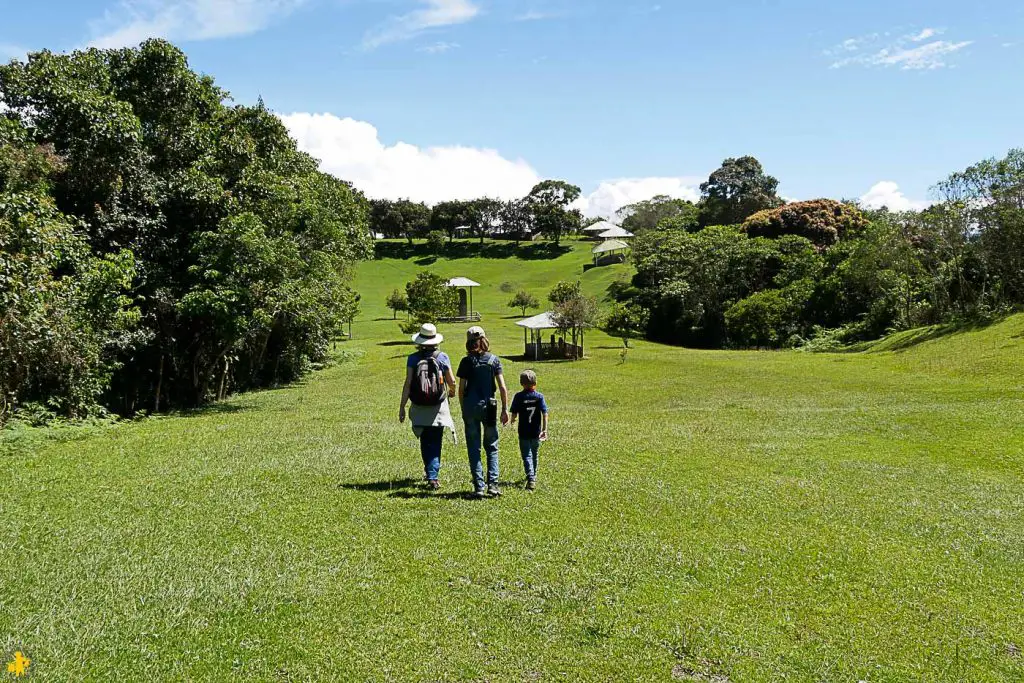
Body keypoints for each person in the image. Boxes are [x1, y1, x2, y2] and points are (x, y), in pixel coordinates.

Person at [399, 323, 457, 490]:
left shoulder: (413, 358)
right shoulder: (442, 357)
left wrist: (402, 406)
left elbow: (408, 383)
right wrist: (452, 391)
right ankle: (433, 476)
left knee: (425, 441)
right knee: (436, 441)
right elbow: (451, 380)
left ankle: (430, 473)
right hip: (438, 406)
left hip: (419, 405)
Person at [457, 326, 509, 498]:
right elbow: (502, 387)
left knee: (474, 448)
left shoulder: (466, 362)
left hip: (471, 407)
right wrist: (504, 409)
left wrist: (463, 408)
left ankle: (479, 487)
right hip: (490, 407)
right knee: (492, 447)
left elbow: (461, 389)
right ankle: (493, 485)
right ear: (484, 339)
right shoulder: (494, 360)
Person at [510, 369, 549, 491]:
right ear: (535, 383)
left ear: (521, 383)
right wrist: (544, 429)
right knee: (534, 454)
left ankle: (531, 477)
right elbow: (545, 413)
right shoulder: (539, 397)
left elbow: (514, 413)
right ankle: (534, 475)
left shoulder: (519, 396)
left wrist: (513, 420)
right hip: (536, 432)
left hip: (524, 432)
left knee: (526, 455)